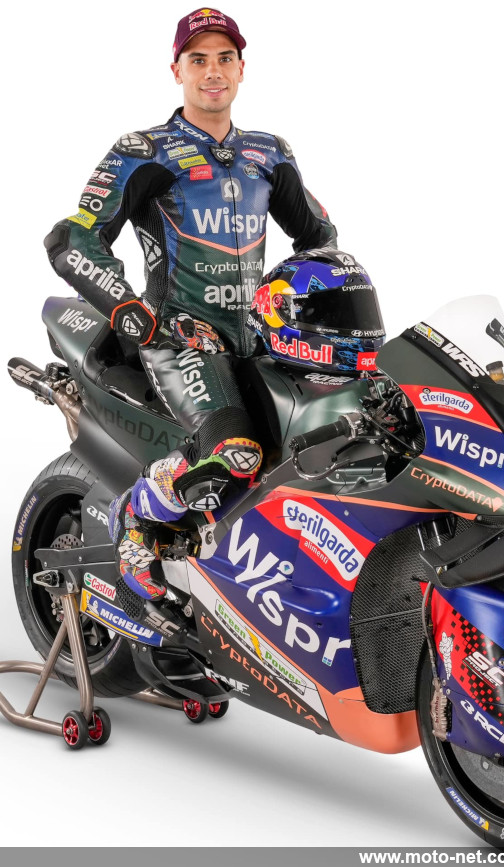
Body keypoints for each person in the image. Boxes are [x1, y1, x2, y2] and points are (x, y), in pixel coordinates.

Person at [44, 8, 336, 604]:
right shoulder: (144, 150)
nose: (212, 72)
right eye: (198, 59)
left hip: (261, 340)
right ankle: (135, 522)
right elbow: (72, 239)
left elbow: (320, 239)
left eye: (224, 58)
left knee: (325, 446)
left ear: (242, 69)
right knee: (236, 454)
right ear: (176, 70)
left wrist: (311, 305)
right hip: (179, 339)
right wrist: (129, 310)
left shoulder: (270, 153)